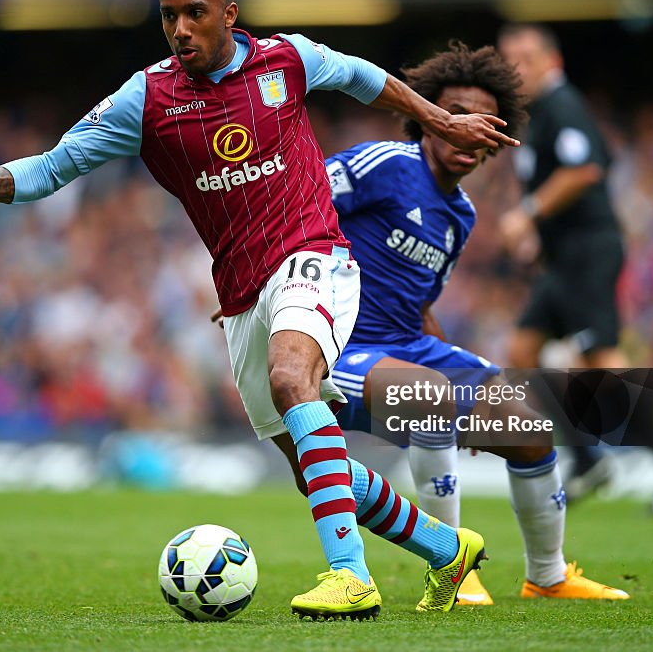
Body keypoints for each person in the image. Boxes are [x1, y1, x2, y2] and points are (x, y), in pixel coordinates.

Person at [0, 0, 518, 620]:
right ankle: (446, 547)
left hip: (316, 256)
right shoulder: (145, 99)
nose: (179, 29)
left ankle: (350, 575)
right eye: (168, 16)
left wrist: (443, 121)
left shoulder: (287, 59)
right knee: (308, 463)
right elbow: (55, 166)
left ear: (228, 14)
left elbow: (363, 77)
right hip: (240, 294)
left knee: (295, 381)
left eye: (194, 13)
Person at [216, 42, 628, 608]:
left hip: (404, 342)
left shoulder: (461, 216)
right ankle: (454, 568)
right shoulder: (386, 165)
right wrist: (254, 270)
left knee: (529, 426)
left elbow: (418, 301)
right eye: (454, 115)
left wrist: (465, 381)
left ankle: (548, 577)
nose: (467, 129)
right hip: (337, 347)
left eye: (482, 120)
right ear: (426, 119)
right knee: (428, 399)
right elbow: (299, 204)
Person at [496, 24, 653, 516]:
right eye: (508, 58)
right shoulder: (541, 114)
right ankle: (586, 458)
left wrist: (528, 214)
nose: (515, 66)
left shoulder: (563, 106)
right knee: (521, 353)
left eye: (525, 56)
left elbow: (584, 169)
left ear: (552, 61)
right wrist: (538, 237)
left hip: (588, 254)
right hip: (563, 259)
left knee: (602, 367)